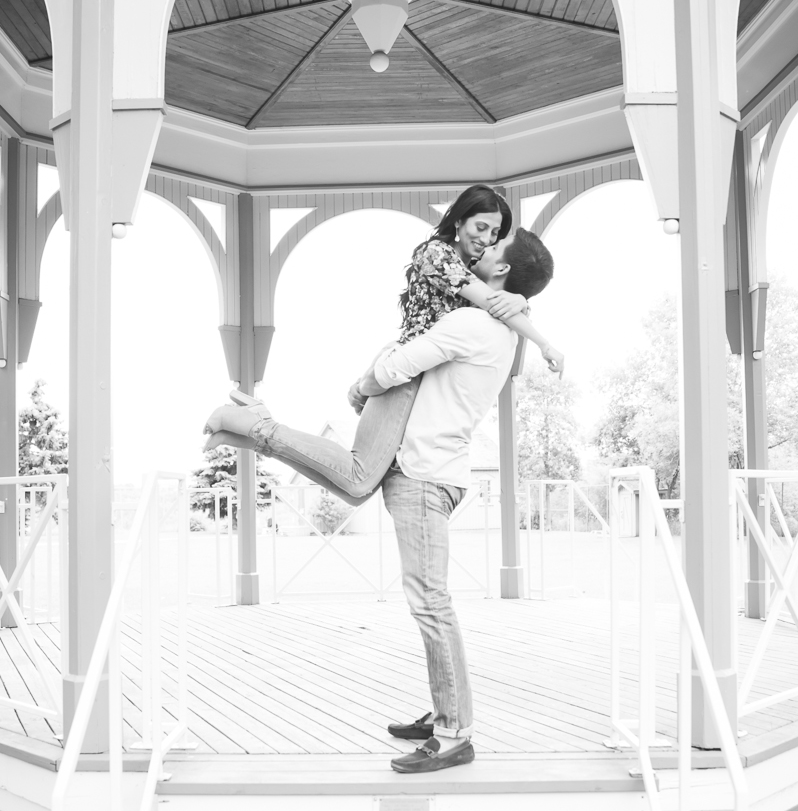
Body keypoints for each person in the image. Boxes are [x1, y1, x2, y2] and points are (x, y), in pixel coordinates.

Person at [206, 227, 555, 774]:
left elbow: (394, 368)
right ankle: (446, 709)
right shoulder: (503, 332)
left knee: (430, 602)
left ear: (503, 271)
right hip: (432, 469)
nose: (480, 251)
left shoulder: (472, 323)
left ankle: (454, 732)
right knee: (355, 488)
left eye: (491, 249)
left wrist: (363, 385)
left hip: (423, 474)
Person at [203, 185, 561, 505]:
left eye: (495, 234)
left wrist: (520, 299)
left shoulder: (474, 269)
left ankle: (252, 432)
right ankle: (259, 425)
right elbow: (491, 301)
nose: (486, 239)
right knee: (358, 478)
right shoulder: (437, 255)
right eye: (481, 227)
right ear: (459, 220)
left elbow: (496, 301)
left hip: (413, 374)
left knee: (355, 492)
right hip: (404, 375)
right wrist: (542, 340)